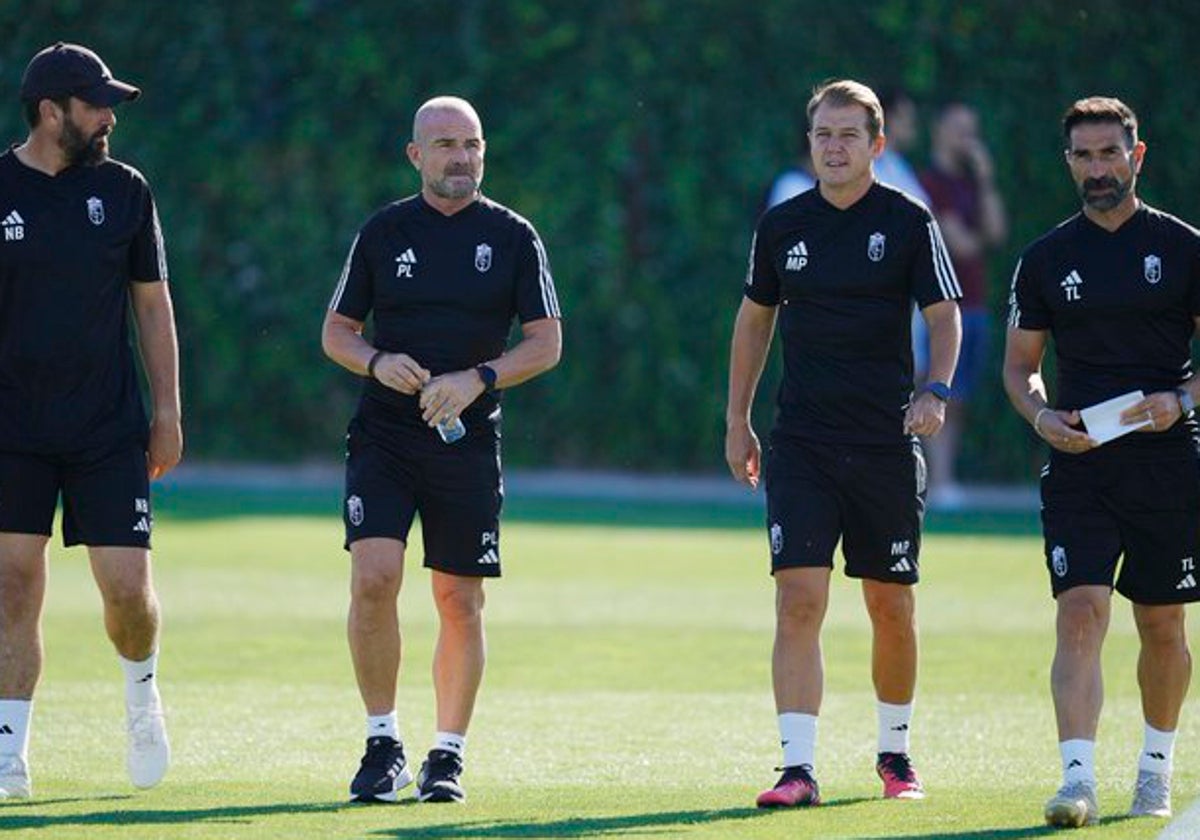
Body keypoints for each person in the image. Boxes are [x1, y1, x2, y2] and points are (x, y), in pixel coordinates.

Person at [726, 79, 962, 808]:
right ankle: (797, 769)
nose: (833, 147)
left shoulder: (908, 220)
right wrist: (737, 419)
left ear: (876, 146)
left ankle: (895, 754)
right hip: (802, 443)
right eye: (823, 135)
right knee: (798, 599)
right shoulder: (782, 225)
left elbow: (945, 314)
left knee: (891, 605)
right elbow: (754, 322)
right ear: (811, 144)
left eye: (849, 135)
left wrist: (936, 391)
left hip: (885, 442)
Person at [322, 95, 562, 805]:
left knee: (459, 599)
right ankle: (381, 743)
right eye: (446, 144)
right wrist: (374, 362)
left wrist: (477, 379)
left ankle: (446, 755)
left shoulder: (514, 237)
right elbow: (336, 330)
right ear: (416, 155)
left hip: (466, 439)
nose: (461, 157)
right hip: (384, 435)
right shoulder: (383, 231)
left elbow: (547, 343)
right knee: (374, 577)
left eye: (472, 144)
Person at [1003, 96, 1199, 828]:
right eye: (1083, 157)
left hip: (1167, 461)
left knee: (1162, 625)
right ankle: (1077, 780)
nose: (1097, 170)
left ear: (1136, 156)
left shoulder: (1184, 247)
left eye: (1109, 154)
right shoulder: (1047, 259)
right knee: (1080, 613)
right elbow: (1021, 367)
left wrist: (1182, 398)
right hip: (1080, 462)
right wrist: (1041, 413)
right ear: (1069, 164)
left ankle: (1155, 770)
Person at [0, 43, 180, 800]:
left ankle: (141, 697)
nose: (109, 116)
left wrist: (167, 410)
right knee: (11, 583)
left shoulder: (126, 190)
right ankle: (9, 748)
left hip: (108, 426)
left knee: (127, 591)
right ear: (51, 111)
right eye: (96, 103)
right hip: (11, 427)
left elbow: (151, 302)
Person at [919, 103, 1007, 508]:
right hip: (936, 309)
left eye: (971, 130)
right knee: (933, 390)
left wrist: (986, 179)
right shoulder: (927, 184)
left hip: (973, 305)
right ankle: (936, 481)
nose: (967, 139)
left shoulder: (971, 183)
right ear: (938, 131)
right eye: (959, 130)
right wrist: (976, 239)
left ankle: (945, 478)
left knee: (961, 398)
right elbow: (965, 243)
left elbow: (995, 232)